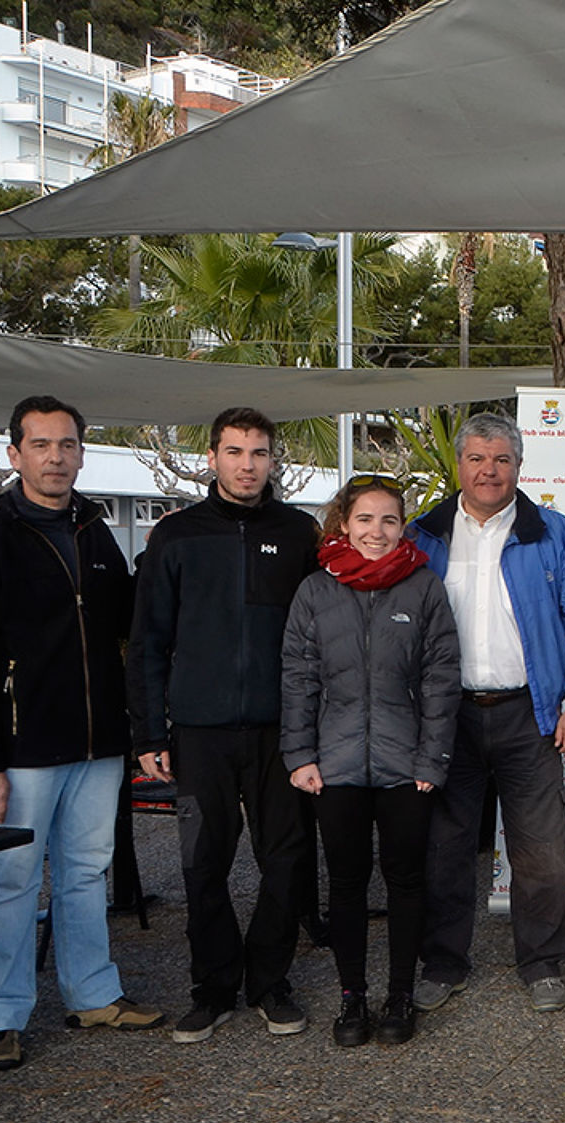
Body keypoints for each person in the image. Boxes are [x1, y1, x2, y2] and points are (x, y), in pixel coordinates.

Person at [0, 396, 163, 1071]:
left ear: (81, 453)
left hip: (96, 746)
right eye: (41, 445)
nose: (56, 457)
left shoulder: (94, 532)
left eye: (67, 445)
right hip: (19, 751)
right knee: (10, 880)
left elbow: (125, 619)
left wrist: (161, 556)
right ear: (14, 455)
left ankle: (93, 995)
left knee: (85, 876)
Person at [127, 406, 321, 1043]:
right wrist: (151, 734)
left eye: (259, 453)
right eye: (235, 452)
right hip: (200, 732)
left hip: (281, 733)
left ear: (273, 460)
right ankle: (212, 987)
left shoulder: (298, 533)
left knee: (287, 861)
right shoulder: (177, 536)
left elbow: (320, 634)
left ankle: (269, 982)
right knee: (203, 864)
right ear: (212, 458)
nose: (247, 465)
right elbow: (148, 641)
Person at [407, 413, 565, 1014]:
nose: (489, 471)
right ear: (459, 466)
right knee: (445, 848)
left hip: (532, 713)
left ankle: (542, 962)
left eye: (501, 460)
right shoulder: (423, 536)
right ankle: (443, 962)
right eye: (477, 459)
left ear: (519, 467)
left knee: (542, 851)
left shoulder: (556, 535)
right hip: (447, 718)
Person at [280, 475, 460, 1045]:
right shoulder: (315, 590)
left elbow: (440, 680)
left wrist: (433, 760)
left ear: (402, 526)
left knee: (406, 880)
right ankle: (352, 998)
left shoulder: (424, 587)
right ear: (344, 523)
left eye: (388, 520)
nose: (376, 532)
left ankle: (400, 996)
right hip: (333, 767)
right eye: (365, 519)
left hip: (406, 764)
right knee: (348, 883)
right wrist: (300, 755)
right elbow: (298, 679)